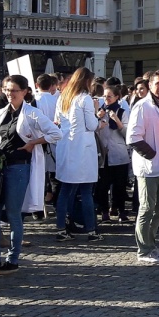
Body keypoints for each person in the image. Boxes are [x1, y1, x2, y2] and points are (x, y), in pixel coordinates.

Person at [0, 74, 61, 275]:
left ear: (25, 92)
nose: (10, 94)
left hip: (19, 166)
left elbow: (56, 133)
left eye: (15, 90)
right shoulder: (0, 112)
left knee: (13, 213)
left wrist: (32, 143)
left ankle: (12, 258)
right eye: (7, 90)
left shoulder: (32, 113)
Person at [128, 70, 159, 264]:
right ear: (150, 85)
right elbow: (133, 137)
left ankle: (152, 245)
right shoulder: (143, 106)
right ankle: (143, 250)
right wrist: (152, 155)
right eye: (157, 84)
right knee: (147, 208)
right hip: (148, 166)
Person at [54, 68, 102, 242]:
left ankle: (60, 228)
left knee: (66, 190)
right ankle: (91, 230)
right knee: (86, 191)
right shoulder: (85, 99)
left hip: (67, 146)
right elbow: (91, 125)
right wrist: (99, 117)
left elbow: (57, 120)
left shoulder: (63, 97)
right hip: (82, 149)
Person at [96, 86, 131, 223]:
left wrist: (117, 120)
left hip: (119, 154)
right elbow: (93, 131)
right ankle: (105, 211)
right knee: (103, 185)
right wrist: (97, 121)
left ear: (117, 97)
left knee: (120, 185)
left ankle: (121, 210)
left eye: (109, 96)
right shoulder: (100, 112)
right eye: (104, 96)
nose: (106, 99)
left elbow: (127, 134)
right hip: (103, 154)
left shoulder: (122, 112)